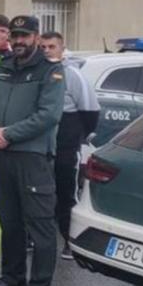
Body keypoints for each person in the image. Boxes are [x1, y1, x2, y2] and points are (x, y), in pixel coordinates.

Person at [0, 15, 65, 286]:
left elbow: (48, 116)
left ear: (36, 38)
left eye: (24, 35)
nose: (18, 40)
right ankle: (12, 280)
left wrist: (8, 134)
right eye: (15, 35)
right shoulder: (3, 67)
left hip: (33, 159)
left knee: (40, 229)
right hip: (3, 157)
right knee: (10, 223)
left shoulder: (50, 71)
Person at [39, 31, 99, 261]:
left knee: (66, 197)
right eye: (43, 46)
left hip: (65, 149)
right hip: (41, 150)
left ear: (62, 49)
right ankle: (40, 240)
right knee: (41, 197)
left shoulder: (71, 74)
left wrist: (77, 137)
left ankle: (70, 242)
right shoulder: (38, 73)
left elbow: (90, 111)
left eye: (51, 46)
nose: (46, 50)